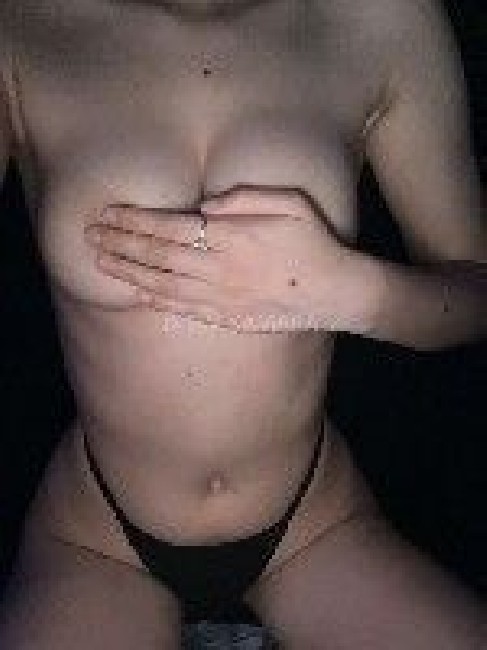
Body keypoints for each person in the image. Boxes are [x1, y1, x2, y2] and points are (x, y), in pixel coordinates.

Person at [0, 0, 485, 647]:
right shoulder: (23, 23)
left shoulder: (382, 20)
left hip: (313, 522)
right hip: (97, 534)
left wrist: (350, 289)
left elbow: (475, 290)